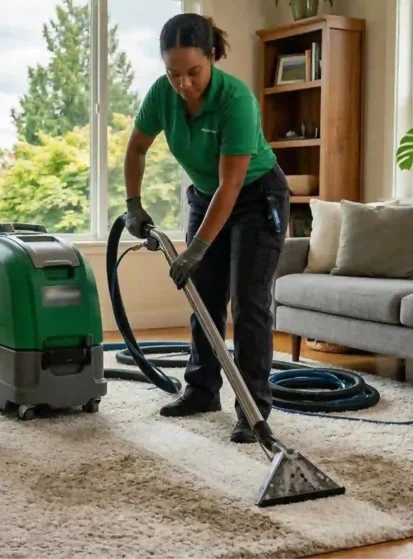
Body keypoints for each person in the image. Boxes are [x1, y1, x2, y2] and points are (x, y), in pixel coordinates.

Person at [123, 14, 290, 444]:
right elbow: (137, 147)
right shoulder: (163, 94)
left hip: (255, 198)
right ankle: (200, 390)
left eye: (193, 72)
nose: (183, 83)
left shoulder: (236, 100)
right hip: (205, 196)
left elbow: (232, 184)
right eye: (173, 72)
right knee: (203, 298)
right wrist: (133, 204)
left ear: (212, 57)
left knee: (248, 304)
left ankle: (252, 408)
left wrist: (195, 249)